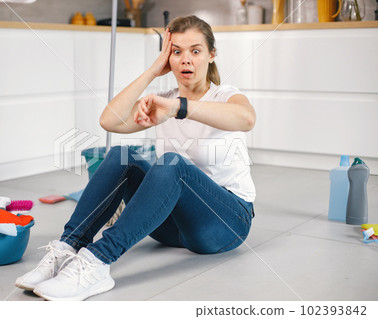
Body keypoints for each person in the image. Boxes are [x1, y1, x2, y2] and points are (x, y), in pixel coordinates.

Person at [15, 15, 256, 301]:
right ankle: (68, 248)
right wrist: (153, 71)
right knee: (121, 155)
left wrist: (177, 107)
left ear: (211, 55)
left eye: (195, 50)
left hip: (225, 223)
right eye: (176, 51)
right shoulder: (163, 99)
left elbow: (246, 118)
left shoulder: (224, 95)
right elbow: (109, 121)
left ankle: (97, 263)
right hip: (171, 227)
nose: (185, 60)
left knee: (173, 165)